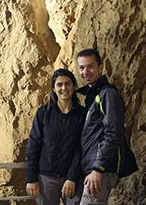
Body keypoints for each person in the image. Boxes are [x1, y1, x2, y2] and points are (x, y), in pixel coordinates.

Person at [26, 69, 87, 205]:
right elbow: (33, 145)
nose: (64, 88)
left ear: (74, 86)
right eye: (59, 85)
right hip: (46, 177)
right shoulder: (43, 113)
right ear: (54, 88)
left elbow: (81, 148)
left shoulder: (82, 115)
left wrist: (71, 177)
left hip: (73, 177)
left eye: (68, 84)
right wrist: (31, 178)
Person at [76, 48, 127, 205]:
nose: (86, 72)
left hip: (101, 170)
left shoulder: (107, 94)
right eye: (82, 68)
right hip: (95, 169)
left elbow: (113, 132)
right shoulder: (93, 95)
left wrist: (98, 168)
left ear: (100, 67)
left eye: (90, 66)